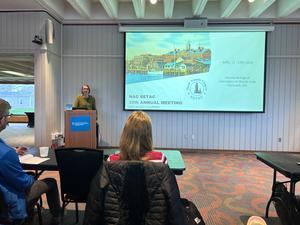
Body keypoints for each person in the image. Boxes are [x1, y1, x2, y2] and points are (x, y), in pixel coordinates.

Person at [83, 111, 186, 225]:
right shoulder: (161, 160)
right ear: (148, 135)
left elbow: (95, 205)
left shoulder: (110, 162)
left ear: (126, 134)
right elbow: (173, 205)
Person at [0, 98, 61, 224]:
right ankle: (57, 217)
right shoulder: (6, 154)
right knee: (50, 182)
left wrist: (14, 151)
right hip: (10, 203)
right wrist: (32, 178)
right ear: (1, 119)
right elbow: (24, 183)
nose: (8, 119)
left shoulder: (6, 151)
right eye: (8, 115)